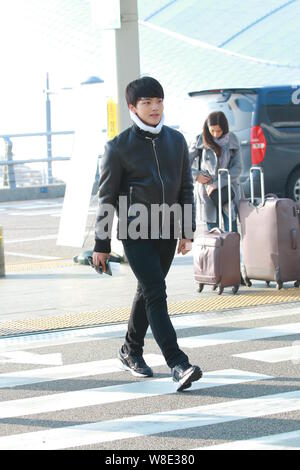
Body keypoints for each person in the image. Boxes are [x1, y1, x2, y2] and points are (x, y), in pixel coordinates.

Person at [93, 77, 202, 392]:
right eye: (147, 103)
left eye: (159, 101)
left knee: (147, 290)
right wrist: (101, 245)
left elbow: (185, 187)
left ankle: (130, 350)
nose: (155, 108)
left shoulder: (176, 141)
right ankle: (178, 363)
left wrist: (185, 230)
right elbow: (106, 198)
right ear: (132, 107)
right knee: (156, 292)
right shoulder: (117, 147)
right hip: (135, 230)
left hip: (166, 230)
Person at [191, 111, 243, 232]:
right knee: (213, 235)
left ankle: (232, 251)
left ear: (225, 128)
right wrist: (196, 175)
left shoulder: (233, 140)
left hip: (228, 190)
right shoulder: (199, 140)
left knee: (232, 231)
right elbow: (183, 163)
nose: (215, 134)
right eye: (212, 130)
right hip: (207, 192)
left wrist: (218, 183)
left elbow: (238, 167)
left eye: (219, 131)